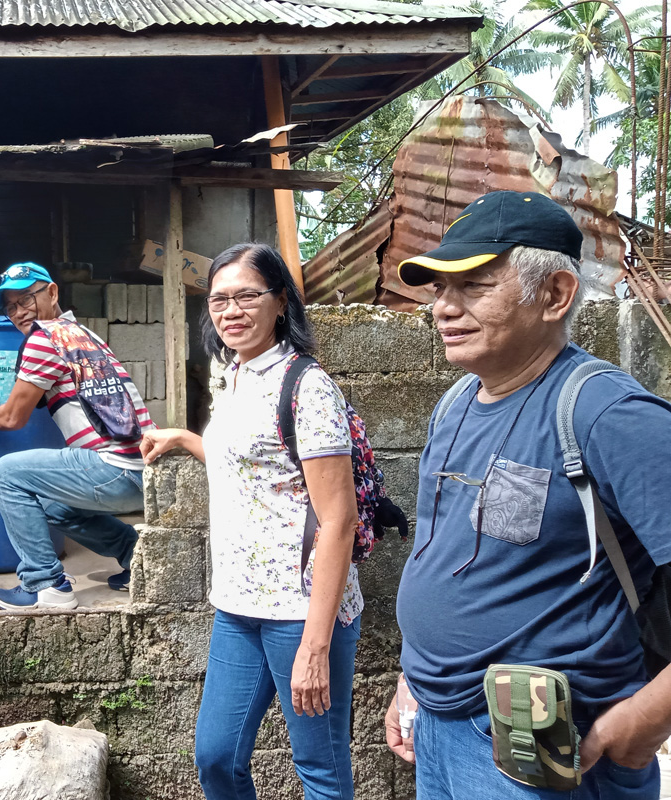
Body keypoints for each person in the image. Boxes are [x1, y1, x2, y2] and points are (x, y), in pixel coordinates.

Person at [385, 190, 671, 799]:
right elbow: (441, 556)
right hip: (439, 724)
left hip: (547, 746)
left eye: (475, 285)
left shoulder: (607, 415)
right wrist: (414, 677)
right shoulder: (455, 404)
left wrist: (642, 723)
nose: (444, 308)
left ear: (556, 294)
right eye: (437, 288)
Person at [140, 243, 361, 800]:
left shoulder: (307, 387)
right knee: (215, 756)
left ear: (281, 300)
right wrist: (187, 439)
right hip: (238, 605)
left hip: (299, 611)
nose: (230, 311)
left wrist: (315, 645)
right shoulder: (233, 374)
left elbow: (339, 519)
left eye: (246, 296)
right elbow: (254, 463)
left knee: (319, 768)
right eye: (218, 300)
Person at [0, 262, 155, 611]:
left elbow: (13, 419)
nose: (19, 312)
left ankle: (45, 585)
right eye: (10, 306)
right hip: (142, 469)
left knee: (6, 473)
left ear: (52, 292)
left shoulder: (43, 338)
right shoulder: (81, 334)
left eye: (26, 298)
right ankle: (138, 559)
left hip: (113, 467)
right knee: (53, 507)